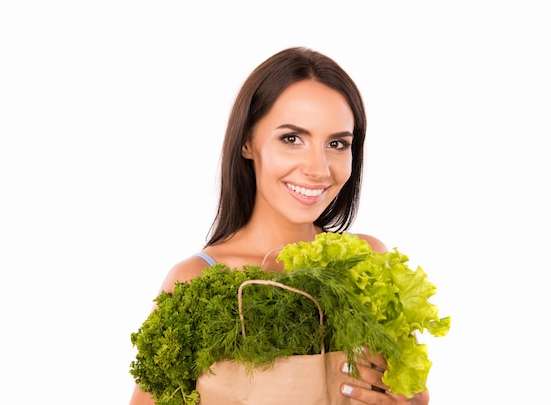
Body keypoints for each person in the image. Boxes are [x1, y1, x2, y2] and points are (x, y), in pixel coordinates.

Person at [129, 47, 430, 405]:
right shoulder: (195, 278)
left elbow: (413, 395)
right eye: (292, 139)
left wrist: (404, 400)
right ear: (247, 142)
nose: (318, 168)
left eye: (336, 143)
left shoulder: (367, 262)